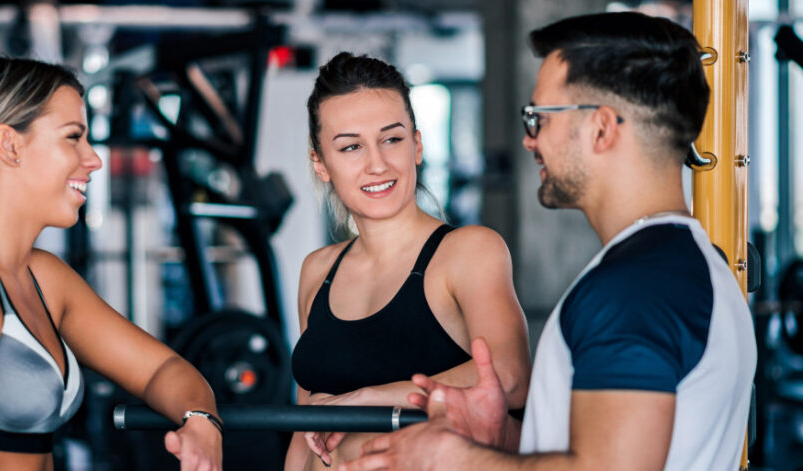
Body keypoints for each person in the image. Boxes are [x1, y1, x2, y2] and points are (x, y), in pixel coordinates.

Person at [341, 11, 757, 471]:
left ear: (601, 128)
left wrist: (454, 458)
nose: (528, 140)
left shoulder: (634, 291)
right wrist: (498, 437)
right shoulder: (680, 267)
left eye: (539, 117)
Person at [0, 56, 222, 470]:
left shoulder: (43, 277)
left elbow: (163, 369)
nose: (93, 159)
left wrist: (201, 421)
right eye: (73, 138)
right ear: (9, 145)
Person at [286, 52, 531, 471]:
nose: (377, 163)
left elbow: (510, 378)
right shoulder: (317, 271)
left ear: (416, 145)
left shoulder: (467, 251)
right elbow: (305, 431)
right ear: (320, 164)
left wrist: (370, 398)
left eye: (392, 139)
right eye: (350, 147)